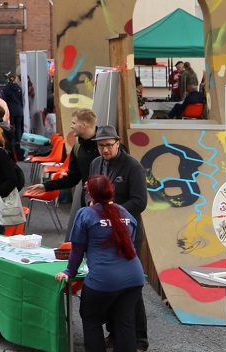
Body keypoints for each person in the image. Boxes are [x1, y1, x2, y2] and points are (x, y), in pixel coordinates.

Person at [56, 175, 145, 352]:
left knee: (91, 319)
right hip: (134, 277)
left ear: (90, 194)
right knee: (125, 322)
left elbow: (77, 249)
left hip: (103, 280)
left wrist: (69, 272)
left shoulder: (86, 214)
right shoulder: (125, 212)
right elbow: (131, 240)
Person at [88, 125, 150, 352]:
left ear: (118, 142)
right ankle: (115, 334)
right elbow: (91, 192)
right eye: (100, 146)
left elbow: (140, 202)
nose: (104, 150)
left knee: (131, 287)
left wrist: (113, 212)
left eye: (108, 145)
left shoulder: (133, 166)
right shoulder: (96, 164)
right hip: (102, 235)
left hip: (127, 234)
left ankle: (140, 339)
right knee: (110, 287)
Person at [24, 108, 99, 217]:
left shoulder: (108, 145)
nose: (71, 126)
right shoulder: (77, 148)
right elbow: (72, 178)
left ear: (83, 125)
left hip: (110, 203)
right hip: (89, 201)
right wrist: (45, 186)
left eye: (74, 123)